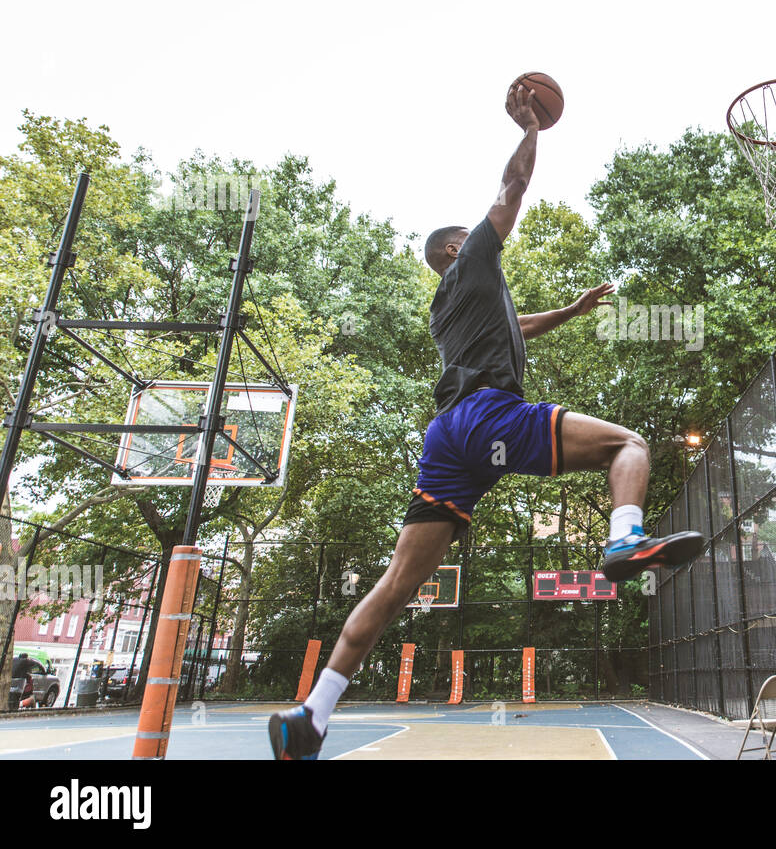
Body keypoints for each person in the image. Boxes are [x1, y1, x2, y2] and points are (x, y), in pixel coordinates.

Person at [270, 84, 703, 759]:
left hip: (448, 438)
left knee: (395, 585)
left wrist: (571, 309)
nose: (484, 237)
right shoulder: (472, 257)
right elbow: (512, 187)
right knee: (629, 444)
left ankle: (312, 714)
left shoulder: (459, 306)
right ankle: (623, 539)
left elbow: (517, 326)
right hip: (485, 417)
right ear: (454, 250)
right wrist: (534, 130)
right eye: (470, 237)